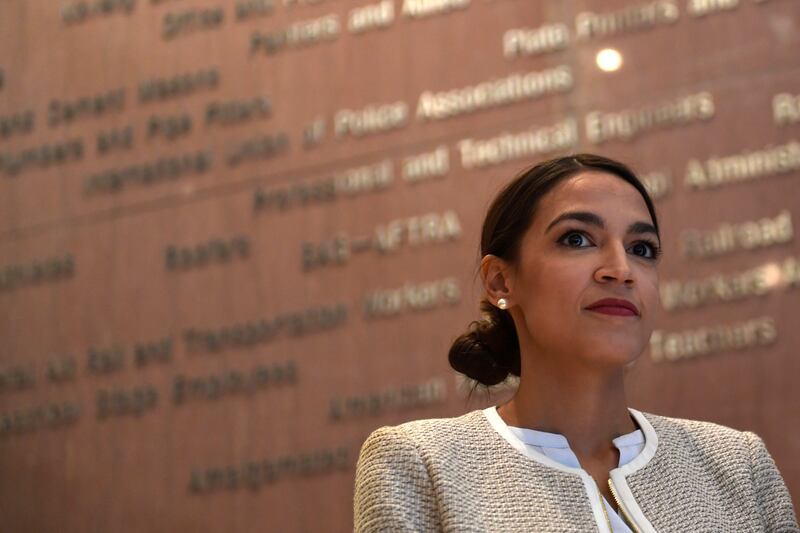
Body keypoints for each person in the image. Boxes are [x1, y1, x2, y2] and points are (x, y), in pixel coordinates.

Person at [352, 153, 799, 532]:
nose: (620, 269)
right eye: (577, 239)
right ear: (500, 279)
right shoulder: (421, 464)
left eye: (642, 248)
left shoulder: (738, 465)